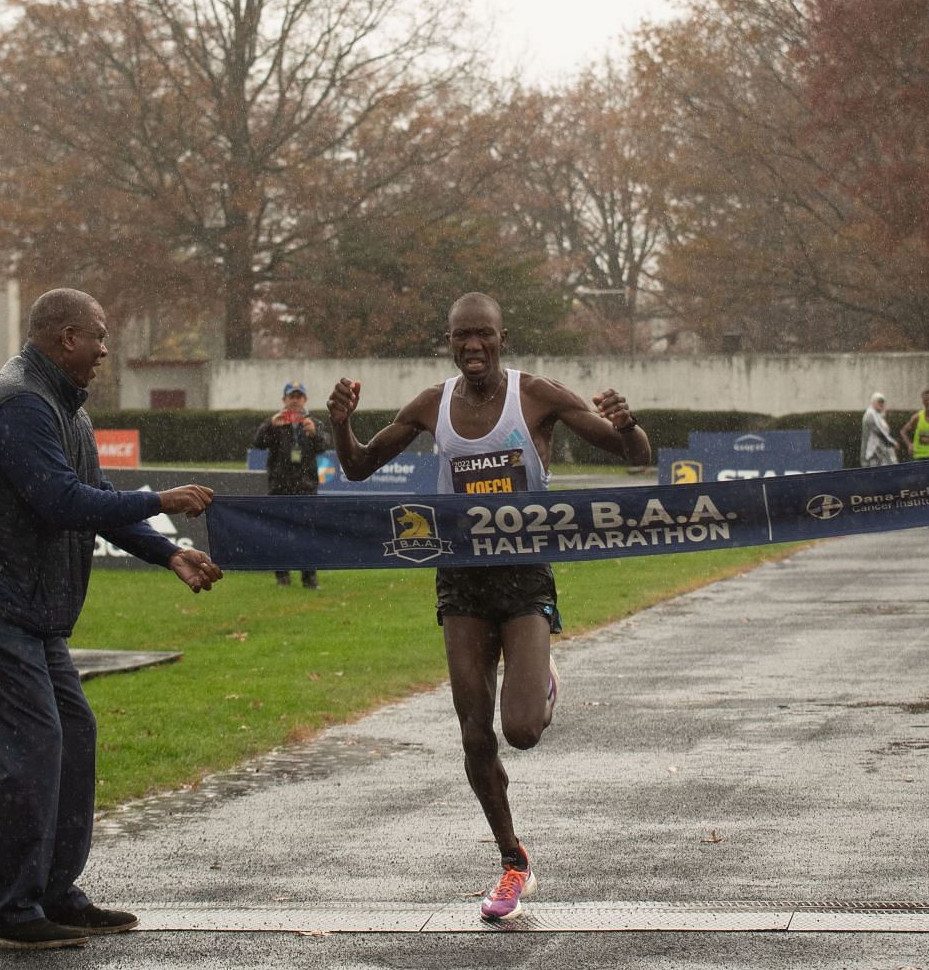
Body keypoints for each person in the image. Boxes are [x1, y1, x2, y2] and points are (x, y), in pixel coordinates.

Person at [328, 292, 651, 923]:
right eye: (460, 337)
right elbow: (360, 467)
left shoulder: (538, 398)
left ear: (503, 337)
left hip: (523, 579)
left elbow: (634, 456)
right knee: (475, 734)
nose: (471, 346)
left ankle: (541, 679)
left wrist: (628, 424)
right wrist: (341, 423)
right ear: (448, 342)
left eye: (483, 335)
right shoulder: (431, 405)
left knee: (521, 731)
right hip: (462, 584)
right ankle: (512, 861)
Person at [0, 289, 222, 951]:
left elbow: (96, 502)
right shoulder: (22, 403)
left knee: (72, 731)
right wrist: (164, 497)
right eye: (98, 336)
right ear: (63, 339)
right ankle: (8, 912)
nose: (106, 350)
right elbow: (59, 502)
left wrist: (169, 551)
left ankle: (52, 891)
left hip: (21, 603)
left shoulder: (64, 409)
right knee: (32, 742)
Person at [253, 381, 329, 588]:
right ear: (284, 400)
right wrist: (270, 424)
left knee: (307, 532)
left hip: (306, 487)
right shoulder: (276, 422)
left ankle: (309, 578)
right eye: (291, 396)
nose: (295, 400)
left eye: (299, 396)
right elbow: (258, 442)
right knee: (278, 532)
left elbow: (324, 445)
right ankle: (282, 577)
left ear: (305, 400)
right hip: (280, 486)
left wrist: (314, 433)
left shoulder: (313, 422)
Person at [861, 392, 901, 467]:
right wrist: (892, 443)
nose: (881, 404)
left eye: (883, 402)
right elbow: (879, 432)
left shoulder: (878, 415)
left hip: (880, 454)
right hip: (872, 454)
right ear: (873, 402)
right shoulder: (870, 414)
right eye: (879, 401)